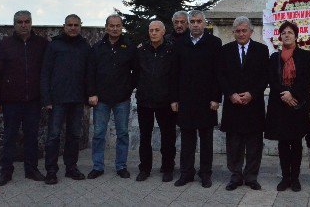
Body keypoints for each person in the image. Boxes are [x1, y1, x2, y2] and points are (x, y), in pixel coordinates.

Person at [0, 10, 49, 186]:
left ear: (31, 23)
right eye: (20, 22)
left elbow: (47, 72)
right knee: (9, 137)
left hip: (33, 100)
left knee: (32, 136)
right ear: (14, 24)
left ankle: (31, 170)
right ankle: (6, 172)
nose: (24, 25)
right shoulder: (4, 45)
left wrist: (46, 98)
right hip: (11, 100)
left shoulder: (42, 44)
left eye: (27, 21)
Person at [171, 10, 222, 188]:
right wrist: (174, 99)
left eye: (199, 21)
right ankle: (186, 173)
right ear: (188, 23)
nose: (195, 24)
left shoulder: (214, 43)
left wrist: (216, 98)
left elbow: (218, 73)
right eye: (192, 21)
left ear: (204, 23)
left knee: (206, 140)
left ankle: (206, 174)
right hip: (185, 99)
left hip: (207, 100)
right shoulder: (180, 43)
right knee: (187, 140)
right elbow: (174, 73)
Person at [217, 16, 269, 191]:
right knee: (234, 144)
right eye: (237, 31)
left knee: (254, 144)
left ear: (251, 32)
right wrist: (231, 94)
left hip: (253, 105)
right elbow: (220, 75)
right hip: (233, 105)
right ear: (233, 32)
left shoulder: (262, 50)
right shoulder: (225, 50)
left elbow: (265, 76)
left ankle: (251, 177)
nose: (240, 34)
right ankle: (236, 176)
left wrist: (252, 94)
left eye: (244, 30)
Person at [40, 14, 90, 184]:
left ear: (80, 26)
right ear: (64, 26)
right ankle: (51, 171)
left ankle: (71, 168)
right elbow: (45, 72)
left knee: (74, 136)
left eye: (76, 24)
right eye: (70, 25)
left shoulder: (85, 46)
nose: (73, 27)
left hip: (77, 99)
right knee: (53, 136)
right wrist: (46, 99)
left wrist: (88, 96)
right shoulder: (55, 45)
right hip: (57, 100)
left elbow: (89, 74)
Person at [264, 21, 310, 192]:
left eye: (290, 32)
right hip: (279, 106)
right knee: (283, 143)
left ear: (296, 36)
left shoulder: (305, 56)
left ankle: (295, 178)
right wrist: (285, 95)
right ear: (280, 36)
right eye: (283, 32)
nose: (286, 35)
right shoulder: (274, 57)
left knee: (296, 142)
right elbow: (272, 79)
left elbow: (306, 81)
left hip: (297, 106)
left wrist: (292, 94)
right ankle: (285, 177)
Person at [86, 15, 136, 180]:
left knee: (122, 134)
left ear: (122, 27)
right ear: (106, 27)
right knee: (99, 133)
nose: (115, 29)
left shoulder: (129, 47)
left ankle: (121, 166)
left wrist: (129, 89)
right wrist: (92, 93)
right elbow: (90, 73)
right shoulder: (97, 48)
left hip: (122, 98)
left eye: (118, 26)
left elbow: (136, 72)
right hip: (101, 99)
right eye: (111, 26)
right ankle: (98, 166)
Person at [134, 20, 178, 182]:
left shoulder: (171, 49)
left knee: (168, 137)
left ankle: (168, 168)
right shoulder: (141, 50)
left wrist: (174, 98)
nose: (153, 33)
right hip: (145, 100)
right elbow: (135, 73)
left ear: (163, 31)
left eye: (157, 30)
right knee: (145, 136)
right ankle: (144, 168)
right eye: (151, 30)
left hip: (165, 101)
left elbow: (175, 76)